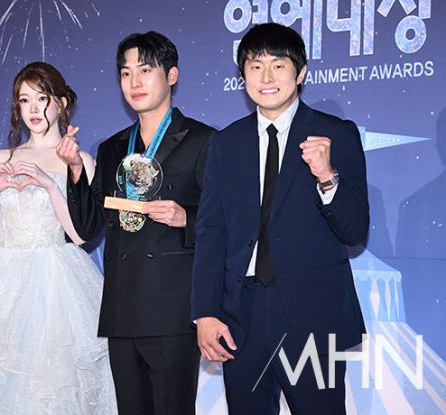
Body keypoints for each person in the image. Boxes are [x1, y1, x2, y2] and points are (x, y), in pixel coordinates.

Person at [192, 23, 369, 414]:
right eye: (255, 67)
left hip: (313, 314)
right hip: (242, 315)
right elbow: (211, 232)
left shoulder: (335, 134)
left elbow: (355, 229)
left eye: (278, 65)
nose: (266, 77)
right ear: (243, 76)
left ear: (300, 72)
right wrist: (205, 311)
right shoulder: (225, 143)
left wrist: (327, 176)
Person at [0, 62, 117, 414]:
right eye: (24, 100)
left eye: (41, 98)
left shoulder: (80, 160)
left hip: (54, 283)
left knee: (47, 382)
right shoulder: (1, 158)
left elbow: (80, 235)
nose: (33, 109)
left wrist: (49, 184)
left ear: (61, 103)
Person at [58, 32, 216, 414]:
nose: (134, 82)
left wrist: (186, 217)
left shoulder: (204, 140)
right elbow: (88, 227)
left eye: (145, 70)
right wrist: (76, 171)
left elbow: (225, 222)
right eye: (126, 73)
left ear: (172, 75)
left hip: (172, 308)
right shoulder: (113, 147)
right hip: (122, 307)